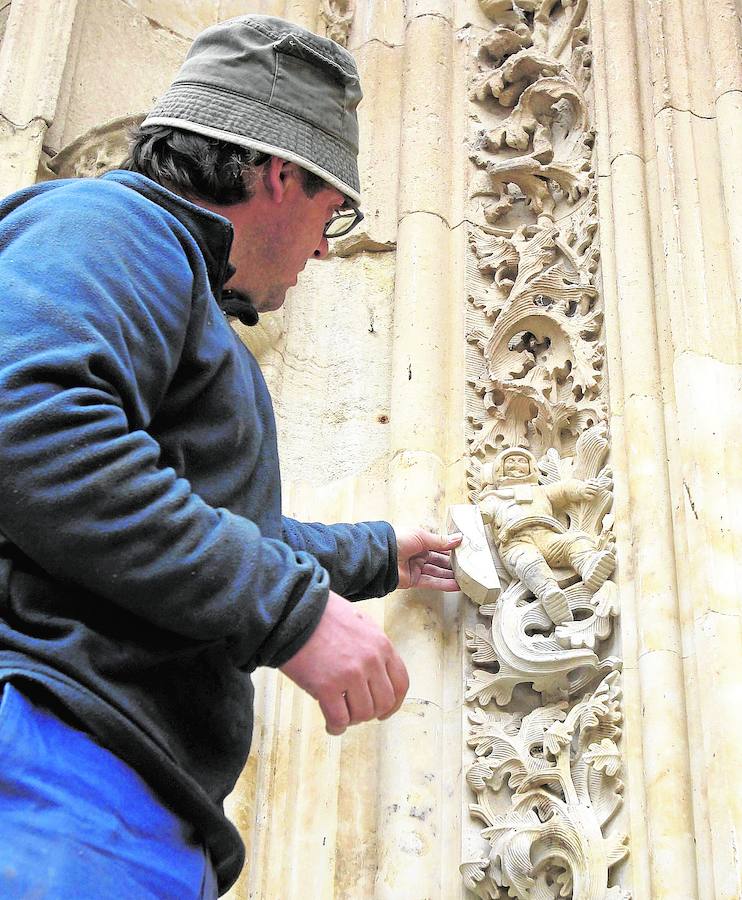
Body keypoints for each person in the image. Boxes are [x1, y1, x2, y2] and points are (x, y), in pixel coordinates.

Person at [0, 15, 460, 899]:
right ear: (279, 173)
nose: (329, 247)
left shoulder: (171, 280)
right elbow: (30, 427)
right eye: (336, 211)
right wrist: (292, 615)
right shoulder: (110, 224)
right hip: (53, 767)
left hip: (122, 799)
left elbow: (204, 520)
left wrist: (377, 556)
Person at [478, 447, 615, 623]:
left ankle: (588, 565)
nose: (516, 465)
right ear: (499, 468)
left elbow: (564, 489)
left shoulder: (541, 491)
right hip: (516, 542)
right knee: (528, 561)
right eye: (510, 461)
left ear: (531, 467)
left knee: (575, 540)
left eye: (522, 461)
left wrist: (581, 488)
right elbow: (483, 513)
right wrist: (482, 513)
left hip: (548, 536)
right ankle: (549, 594)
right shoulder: (495, 497)